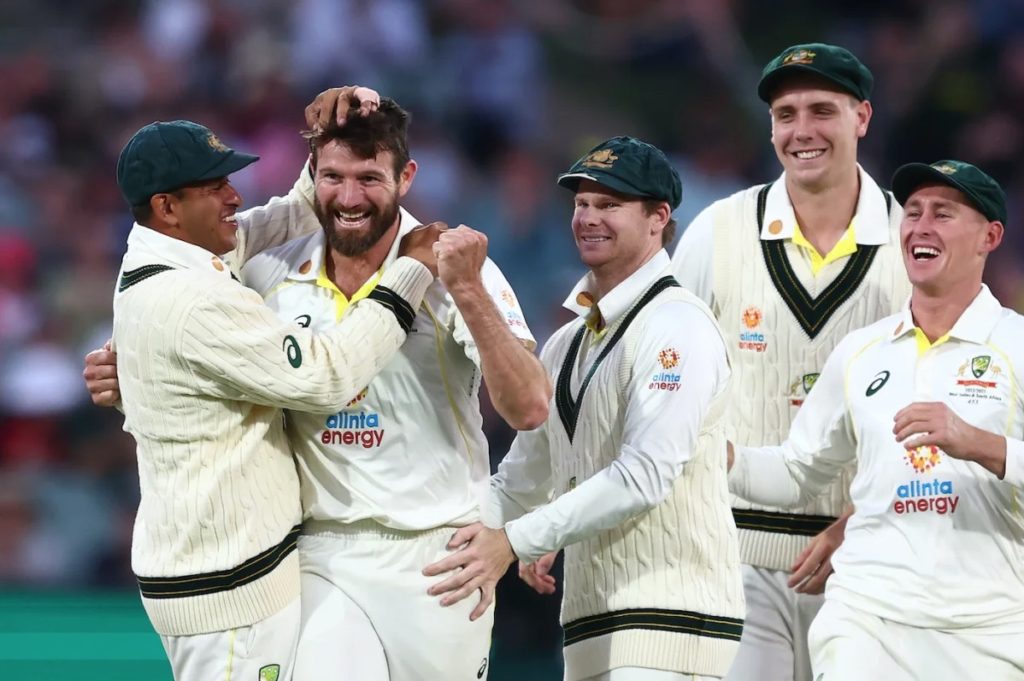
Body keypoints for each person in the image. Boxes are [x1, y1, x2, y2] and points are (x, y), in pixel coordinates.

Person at [109, 110, 441, 681]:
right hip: (228, 589)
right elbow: (326, 378)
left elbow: (275, 220)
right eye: (214, 188)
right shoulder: (194, 299)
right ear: (168, 208)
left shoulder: (165, 257)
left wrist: (331, 161)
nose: (234, 197)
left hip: (216, 572)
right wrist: (409, 274)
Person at [239, 97, 550, 681]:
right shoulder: (271, 270)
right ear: (312, 173)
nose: (350, 198)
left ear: (406, 178)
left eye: (369, 178)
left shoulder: (453, 264)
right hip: (321, 550)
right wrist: (124, 365)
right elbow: (191, 320)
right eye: (332, 177)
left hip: (440, 557)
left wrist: (470, 291)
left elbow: (530, 405)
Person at [424, 136, 745, 681]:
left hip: (671, 621)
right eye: (581, 204)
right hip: (593, 626)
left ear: (658, 218)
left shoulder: (677, 326)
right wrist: (437, 539)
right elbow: (522, 481)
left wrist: (521, 539)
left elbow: (644, 476)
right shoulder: (567, 341)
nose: (589, 218)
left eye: (610, 205)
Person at [728, 159, 1024, 680]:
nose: (921, 226)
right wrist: (723, 459)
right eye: (912, 212)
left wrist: (980, 443)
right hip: (867, 613)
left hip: (989, 627)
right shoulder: (862, 350)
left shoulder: (1016, 345)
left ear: (990, 236)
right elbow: (799, 470)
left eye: (944, 213)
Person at [670, 43, 912, 681]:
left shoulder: (914, 243)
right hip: (734, 553)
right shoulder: (718, 230)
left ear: (862, 117)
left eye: (821, 110)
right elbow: (661, 376)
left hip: (871, 556)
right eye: (785, 113)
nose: (801, 131)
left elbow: (938, 401)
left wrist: (856, 524)